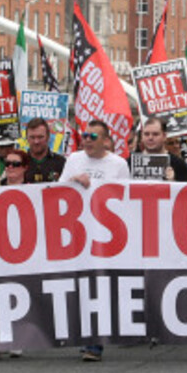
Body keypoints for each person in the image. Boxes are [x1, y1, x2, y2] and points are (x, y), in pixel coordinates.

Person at [61, 120, 130, 360]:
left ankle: (94, 343)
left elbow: (125, 198)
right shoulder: (73, 160)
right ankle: (85, 335)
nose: (87, 140)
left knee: (99, 287)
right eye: (84, 136)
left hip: (105, 236)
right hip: (77, 233)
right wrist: (74, 183)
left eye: (92, 136)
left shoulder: (118, 164)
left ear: (106, 141)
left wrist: (96, 188)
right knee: (80, 287)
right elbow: (57, 193)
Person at [25, 117, 66, 183]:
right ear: (26, 138)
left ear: (48, 137)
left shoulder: (61, 162)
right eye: (32, 137)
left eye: (40, 137)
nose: (36, 141)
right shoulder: (19, 163)